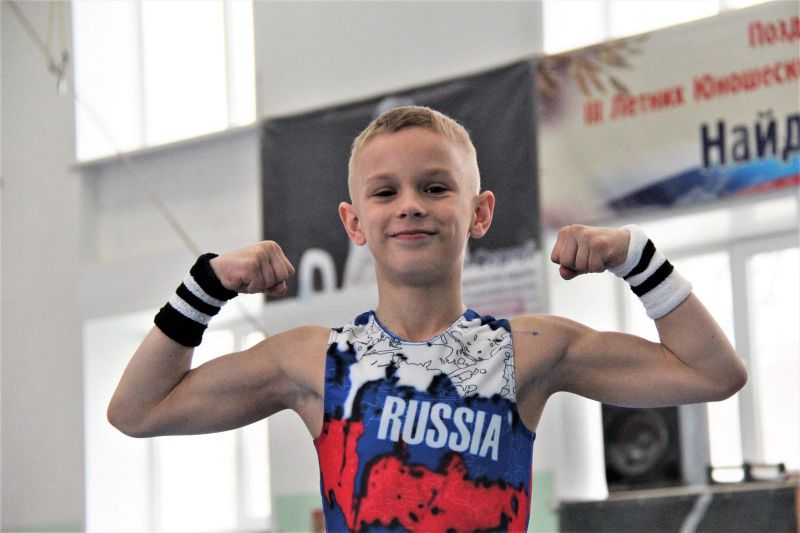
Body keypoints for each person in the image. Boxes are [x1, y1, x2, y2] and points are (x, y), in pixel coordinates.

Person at [108, 106, 747, 532]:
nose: (410, 205)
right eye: (385, 192)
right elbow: (137, 410)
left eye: (436, 187)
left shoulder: (525, 350)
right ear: (355, 222)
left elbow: (713, 374)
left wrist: (638, 258)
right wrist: (206, 287)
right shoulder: (314, 361)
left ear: (480, 212)